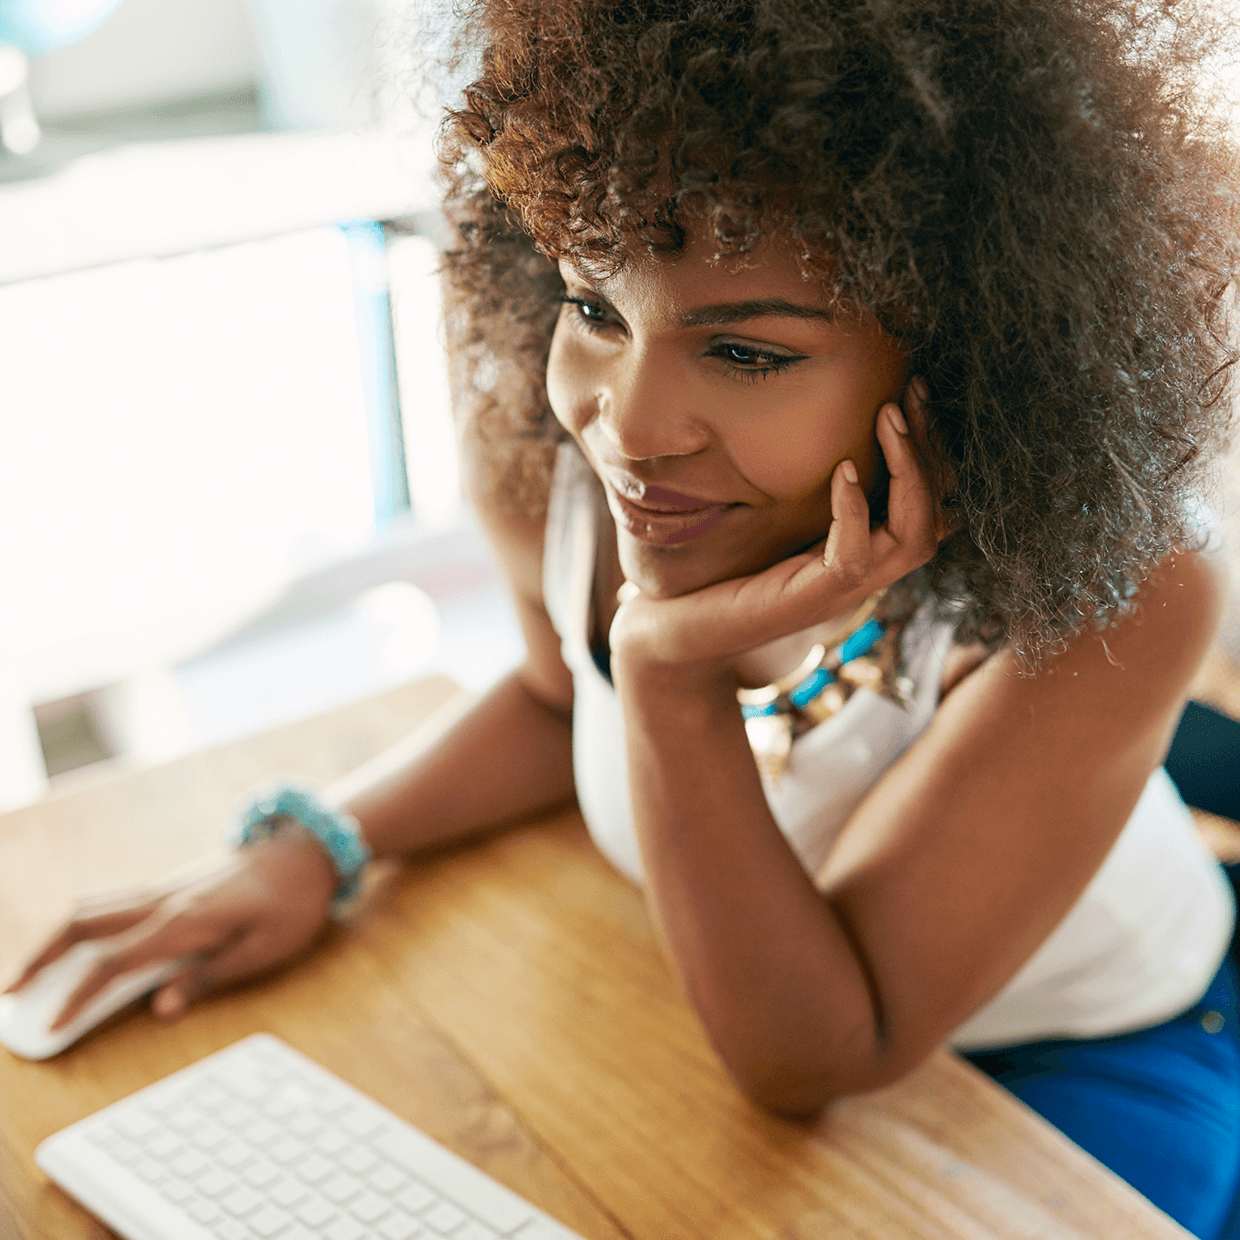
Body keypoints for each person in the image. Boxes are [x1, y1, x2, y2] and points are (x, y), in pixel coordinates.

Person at [8, 0, 1240, 1234]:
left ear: (959, 355)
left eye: (748, 355)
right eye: (595, 307)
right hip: (706, 993)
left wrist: (666, 667)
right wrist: (320, 841)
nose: (631, 427)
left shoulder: (1131, 587)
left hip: (1090, 1064)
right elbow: (561, 703)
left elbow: (816, 1050)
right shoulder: (558, 455)